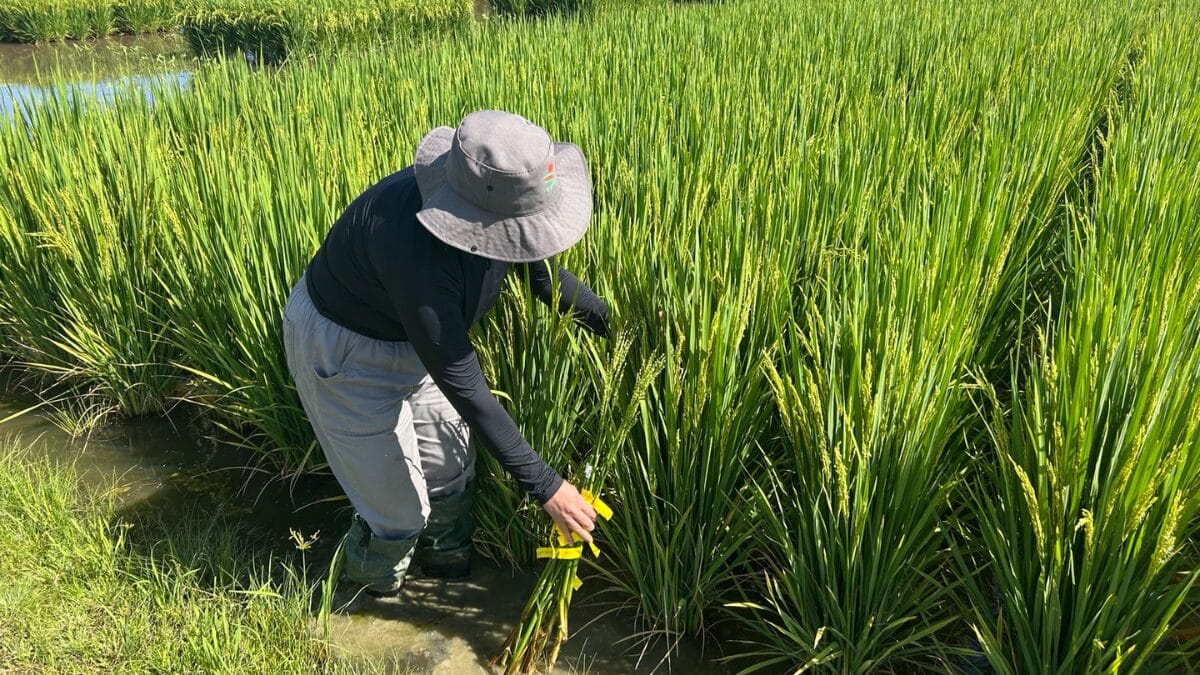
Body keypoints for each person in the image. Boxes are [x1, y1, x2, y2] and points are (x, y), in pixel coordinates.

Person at [282, 110, 609, 597]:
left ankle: (443, 583)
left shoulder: (497, 208)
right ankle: (375, 605)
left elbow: (542, 279)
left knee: (450, 472)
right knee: (398, 511)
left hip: (420, 344)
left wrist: (618, 326)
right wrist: (547, 487)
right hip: (346, 353)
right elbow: (464, 383)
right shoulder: (416, 254)